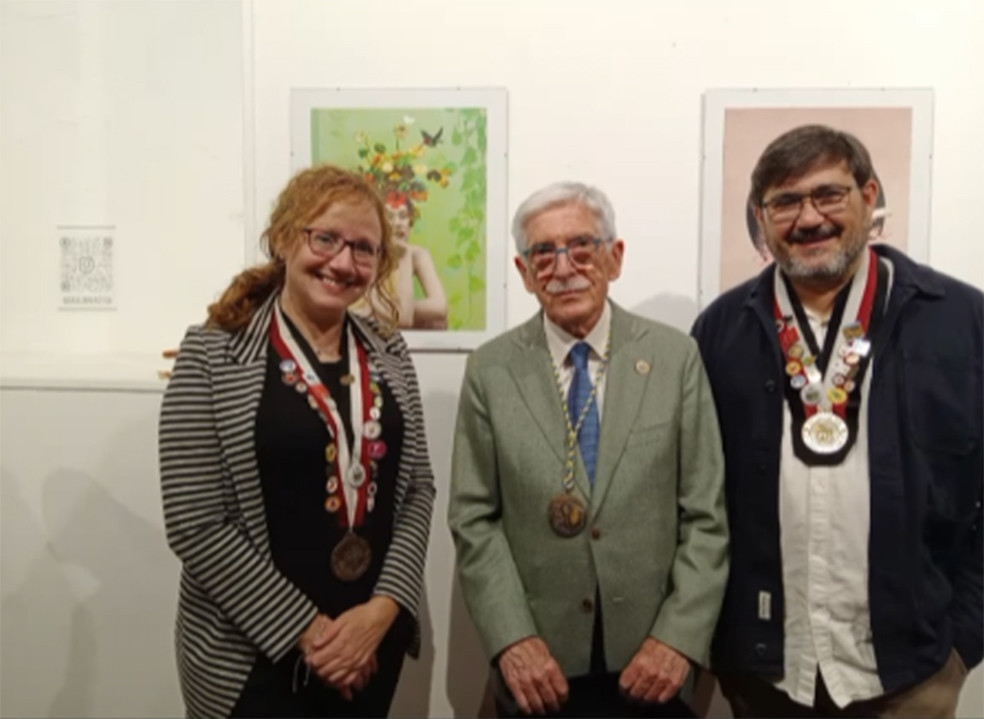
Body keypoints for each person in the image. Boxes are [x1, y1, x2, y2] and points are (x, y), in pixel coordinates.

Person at [692, 124, 983, 718]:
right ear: (760, 217)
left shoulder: (962, 321)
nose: (808, 218)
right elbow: (696, 497)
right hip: (766, 675)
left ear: (869, 196)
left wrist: (963, 640)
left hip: (912, 672)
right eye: (785, 202)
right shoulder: (720, 330)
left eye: (828, 194)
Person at [158, 164, 436, 718]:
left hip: (368, 651)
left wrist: (382, 611)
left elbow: (417, 491)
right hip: (252, 661)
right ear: (285, 238)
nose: (343, 262)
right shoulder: (211, 355)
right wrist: (310, 633)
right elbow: (195, 521)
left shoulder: (389, 351)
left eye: (364, 249)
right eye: (325, 238)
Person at [448, 181, 730, 718]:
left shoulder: (675, 358)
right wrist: (513, 640)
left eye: (581, 246)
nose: (563, 267)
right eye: (543, 253)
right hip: (539, 668)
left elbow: (706, 515)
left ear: (614, 257)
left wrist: (677, 639)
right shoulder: (491, 370)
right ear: (523, 271)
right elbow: (473, 519)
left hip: (653, 664)